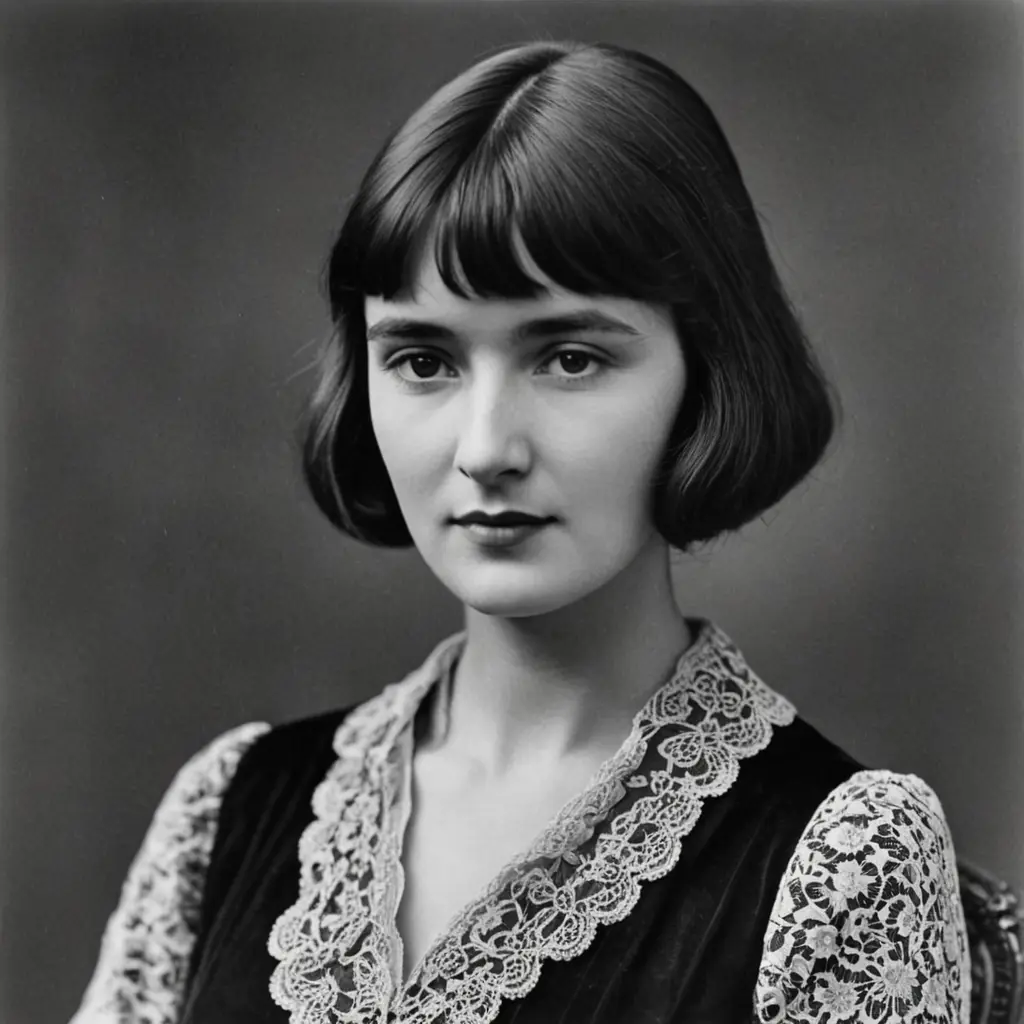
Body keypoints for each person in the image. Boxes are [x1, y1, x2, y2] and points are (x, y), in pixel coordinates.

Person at [69, 40, 971, 1024]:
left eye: (570, 358)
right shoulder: (229, 810)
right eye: (423, 361)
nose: (485, 448)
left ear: (706, 371)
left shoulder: (840, 858)